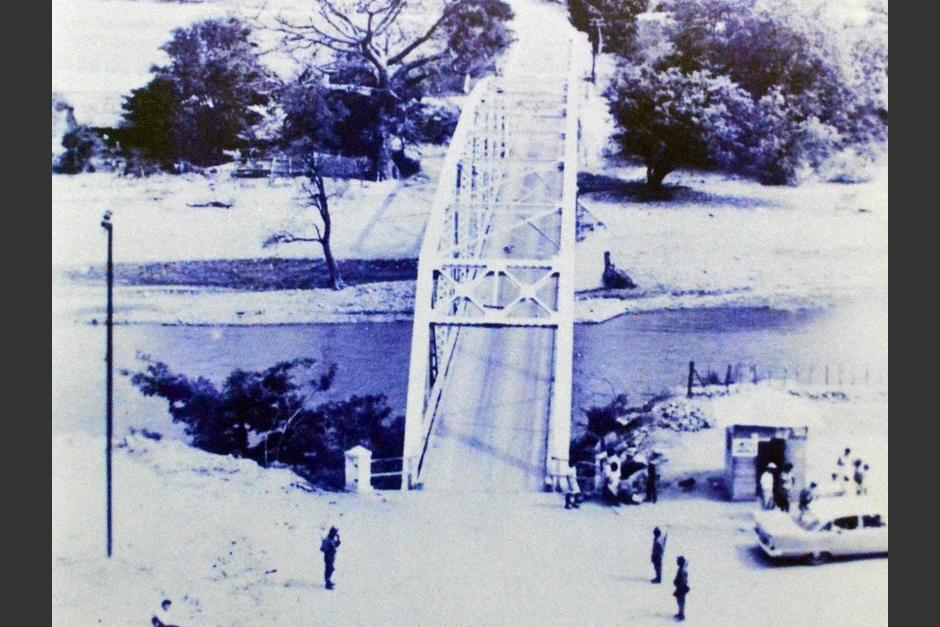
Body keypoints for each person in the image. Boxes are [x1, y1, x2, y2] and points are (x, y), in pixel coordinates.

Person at [673, 556, 690, 621]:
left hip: (681, 587)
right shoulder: (681, 568)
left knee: (681, 601)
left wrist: (680, 585)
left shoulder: (683, 570)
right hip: (680, 587)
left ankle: (681, 614)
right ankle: (680, 612)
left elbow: (683, 579)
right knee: (679, 600)